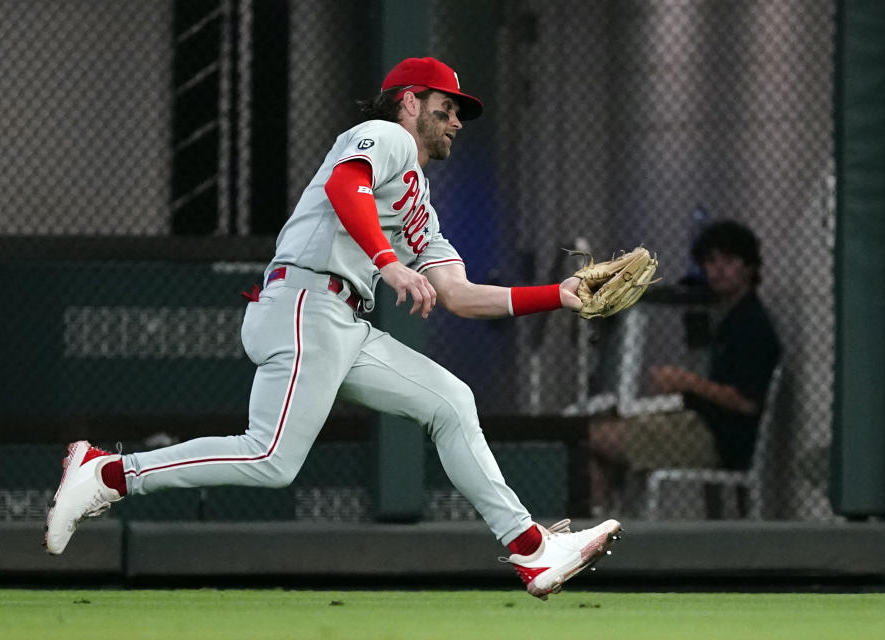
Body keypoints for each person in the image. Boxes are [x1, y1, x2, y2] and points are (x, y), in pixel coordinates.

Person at [45, 57, 620, 599]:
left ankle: (530, 549)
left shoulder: (420, 198)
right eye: (445, 108)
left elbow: (460, 296)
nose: (455, 123)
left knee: (451, 402)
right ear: (410, 101)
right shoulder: (385, 135)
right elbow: (348, 187)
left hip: (340, 320)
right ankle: (110, 472)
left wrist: (560, 296)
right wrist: (389, 263)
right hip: (305, 300)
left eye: (459, 115)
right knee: (269, 458)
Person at [588, 220, 782, 514]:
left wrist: (686, 382)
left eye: (728, 261)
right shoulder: (731, 318)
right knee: (605, 425)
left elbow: (745, 402)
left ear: (750, 267)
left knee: (595, 438)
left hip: (718, 439)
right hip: (704, 426)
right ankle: (607, 519)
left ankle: (599, 521)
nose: (717, 270)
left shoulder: (751, 326)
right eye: (710, 262)